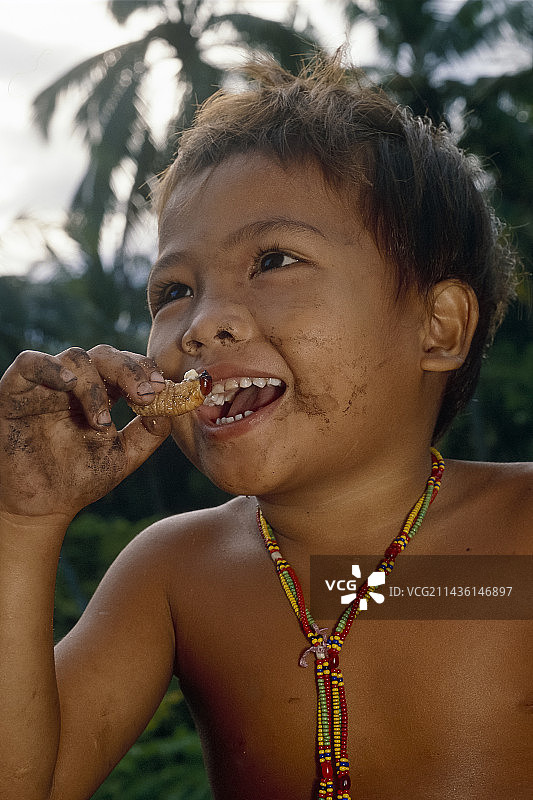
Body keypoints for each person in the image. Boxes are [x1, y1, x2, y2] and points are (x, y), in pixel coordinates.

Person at [0, 54, 531, 800]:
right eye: (174, 290)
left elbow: (429, 590)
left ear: (435, 328)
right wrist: (21, 523)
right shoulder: (177, 575)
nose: (202, 323)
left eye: (273, 260)